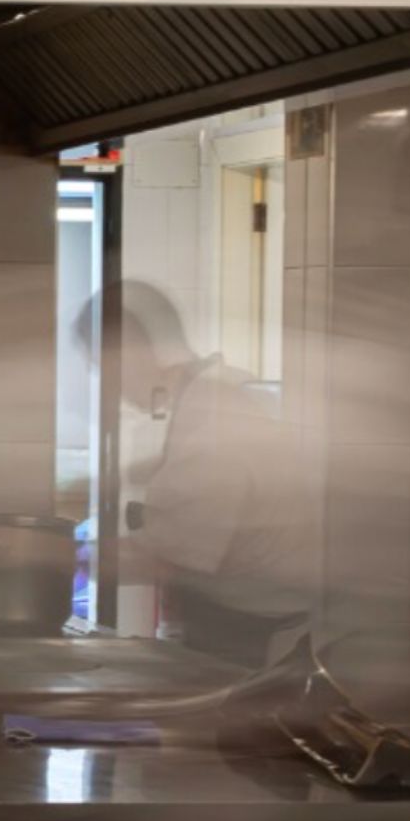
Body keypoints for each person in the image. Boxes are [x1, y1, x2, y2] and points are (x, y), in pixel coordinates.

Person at [96, 281, 315, 668]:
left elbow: (168, 557)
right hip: (245, 616)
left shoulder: (213, 415)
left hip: (254, 631)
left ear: (135, 353)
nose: (107, 383)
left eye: (104, 366)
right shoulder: (219, 388)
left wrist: (48, 555)